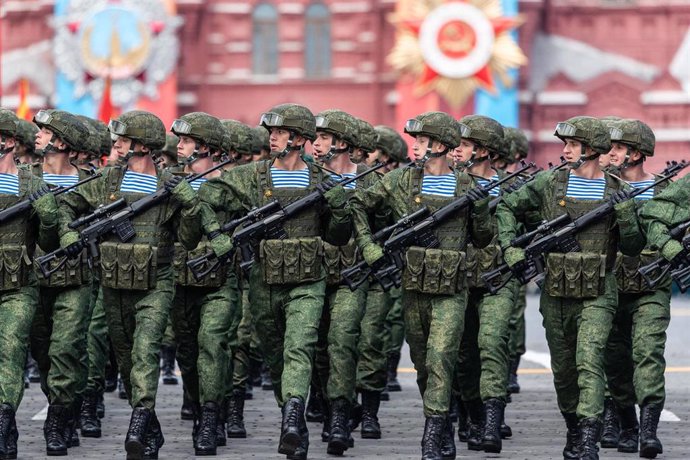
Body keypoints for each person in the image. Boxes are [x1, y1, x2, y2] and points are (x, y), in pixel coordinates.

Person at [196, 103, 351, 460]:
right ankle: (290, 408)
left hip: (307, 281)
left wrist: (340, 208)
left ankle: (293, 419)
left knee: (300, 346)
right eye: (271, 133)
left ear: (298, 139)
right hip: (263, 281)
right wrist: (215, 233)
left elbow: (339, 237)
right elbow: (206, 198)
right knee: (274, 353)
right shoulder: (252, 176)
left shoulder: (321, 180)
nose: (273, 138)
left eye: (280, 132)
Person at [56, 110, 207, 459]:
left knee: (145, 350)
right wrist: (65, 231)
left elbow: (189, 236)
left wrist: (190, 202)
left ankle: (138, 423)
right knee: (125, 358)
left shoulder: (170, 184)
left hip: (157, 281)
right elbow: (67, 202)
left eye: (123, 138)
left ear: (142, 144)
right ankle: (150, 425)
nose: (117, 143)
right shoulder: (109, 180)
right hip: (114, 281)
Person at [495, 116, 644, 460]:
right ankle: (574, 429)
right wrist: (510, 246)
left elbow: (634, 246)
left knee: (589, 361)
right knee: (564, 373)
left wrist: (625, 214)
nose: (565, 151)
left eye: (572, 146)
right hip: (557, 291)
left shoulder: (617, 189)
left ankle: (589, 440)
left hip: (599, 290)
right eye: (565, 145)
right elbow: (507, 206)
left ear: (591, 150)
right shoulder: (549, 183)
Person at [350, 111, 493, 459]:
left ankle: (432, 433)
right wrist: (369, 246)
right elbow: (358, 203)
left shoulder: (468, 186)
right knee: (423, 363)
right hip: (413, 285)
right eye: (414, 141)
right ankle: (442, 425)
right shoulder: (400, 181)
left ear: (441, 145)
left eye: (422, 140)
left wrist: (481, 209)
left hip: (451, 289)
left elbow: (484, 237)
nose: (415, 147)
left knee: (442, 357)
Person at [30, 109, 96, 455]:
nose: (37, 135)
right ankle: (63, 405)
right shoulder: (27, 178)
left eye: (44, 131)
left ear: (61, 141)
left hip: (75, 277)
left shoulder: (92, 181)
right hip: (33, 277)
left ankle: (57, 421)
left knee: (65, 349)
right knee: (42, 353)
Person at [604, 119, 671, 458]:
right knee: (614, 360)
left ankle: (648, 431)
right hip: (610, 287)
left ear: (637, 153)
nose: (610, 154)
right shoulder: (600, 188)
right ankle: (627, 425)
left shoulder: (664, 190)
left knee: (648, 353)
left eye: (617, 148)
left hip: (651, 287)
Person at [452, 115, 519, 453]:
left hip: (499, 279)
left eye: (462, 145)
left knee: (492, 344)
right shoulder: (448, 184)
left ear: (483, 150)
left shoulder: (514, 187)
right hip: (458, 278)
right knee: (464, 354)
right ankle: (472, 416)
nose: (455, 151)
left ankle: (492, 419)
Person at [0, 108, 61, 460]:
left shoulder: (33, 184)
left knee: (10, 351)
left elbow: (49, 243)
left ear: (8, 142)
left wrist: (50, 217)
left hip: (19, 286)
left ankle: (5, 418)